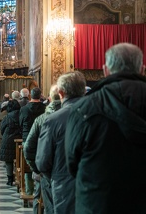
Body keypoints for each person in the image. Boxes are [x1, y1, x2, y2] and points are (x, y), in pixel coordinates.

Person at [65, 43, 146, 214]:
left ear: (105, 70)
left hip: (98, 203)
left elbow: (72, 163)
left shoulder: (83, 108)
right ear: (142, 69)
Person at [36, 71, 86, 214]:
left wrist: (56, 177)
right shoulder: (101, 114)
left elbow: (42, 162)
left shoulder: (53, 120)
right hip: (95, 185)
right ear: (83, 91)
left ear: (61, 93)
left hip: (63, 185)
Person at [23, 84, 61, 214]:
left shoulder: (42, 119)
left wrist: (36, 168)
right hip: (70, 174)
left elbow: (28, 147)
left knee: (40, 197)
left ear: (50, 98)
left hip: (46, 171)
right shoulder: (77, 116)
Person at [19, 87, 46, 197]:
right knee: (42, 164)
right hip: (41, 138)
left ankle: (29, 191)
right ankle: (41, 192)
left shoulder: (24, 109)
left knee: (27, 166)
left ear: (30, 95)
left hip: (27, 138)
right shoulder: (45, 108)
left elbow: (20, 123)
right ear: (40, 96)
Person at [0, 99, 21, 185]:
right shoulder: (22, 115)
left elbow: (2, 128)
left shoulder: (7, 117)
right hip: (20, 139)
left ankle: (10, 179)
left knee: (9, 160)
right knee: (20, 158)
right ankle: (20, 176)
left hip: (8, 140)